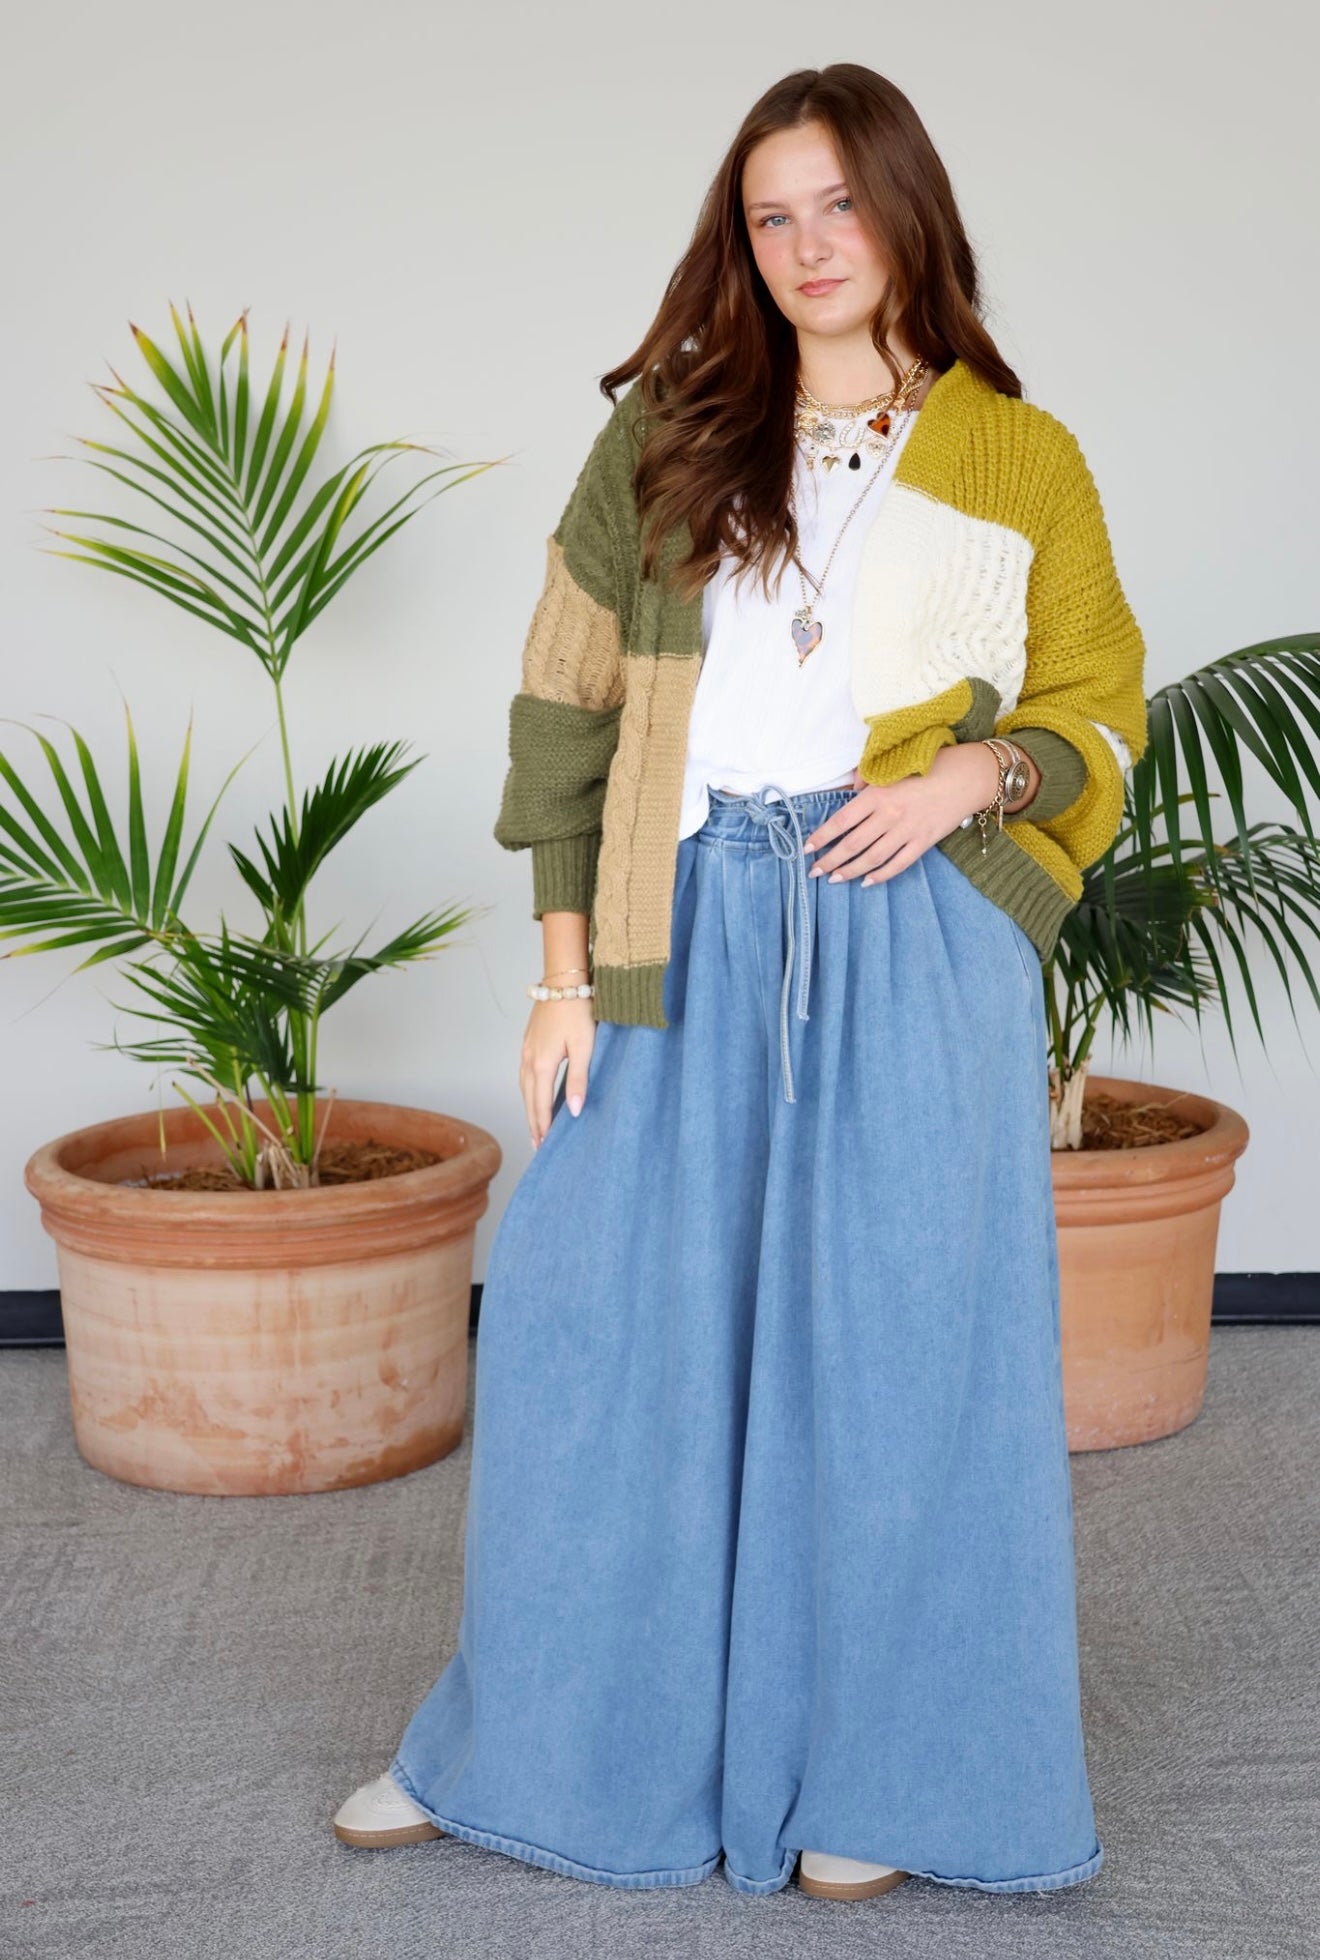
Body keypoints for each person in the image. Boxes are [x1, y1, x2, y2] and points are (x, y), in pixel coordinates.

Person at [333, 62, 1148, 1904]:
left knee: (905, 1366)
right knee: (596, 1348)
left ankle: (892, 1772)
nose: (805, 246)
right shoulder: (664, 439)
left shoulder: (1024, 455)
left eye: (838, 206)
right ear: (741, 234)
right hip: (676, 928)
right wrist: (560, 979)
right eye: (772, 214)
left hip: (910, 937)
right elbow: (562, 722)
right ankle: (529, 1744)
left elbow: (1097, 707)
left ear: (905, 213)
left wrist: (968, 781)